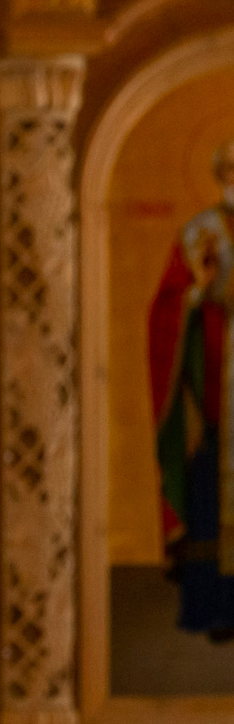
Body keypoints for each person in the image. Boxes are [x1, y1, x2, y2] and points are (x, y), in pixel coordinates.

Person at [150, 139, 234, 638]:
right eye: (230, 168)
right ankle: (216, 607)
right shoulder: (198, 232)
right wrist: (199, 291)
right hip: (214, 397)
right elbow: (167, 305)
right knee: (210, 496)